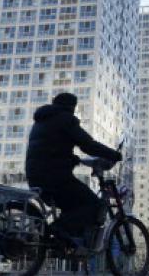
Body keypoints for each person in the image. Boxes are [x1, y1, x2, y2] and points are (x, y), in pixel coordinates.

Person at [26, 93, 122, 246]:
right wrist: (114, 154)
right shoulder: (65, 119)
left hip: (35, 177)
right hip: (55, 178)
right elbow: (88, 145)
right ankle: (56, 229)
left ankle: (66, 241)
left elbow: (50, 149)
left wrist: (74, 159)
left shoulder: (41, 121)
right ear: (71, 107)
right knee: (94, 205)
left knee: (73, 205)